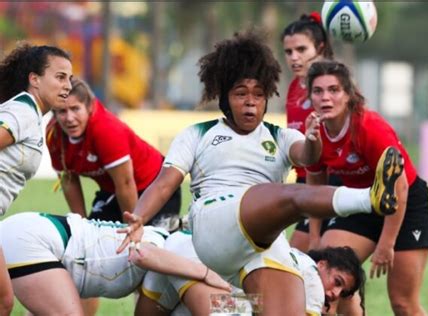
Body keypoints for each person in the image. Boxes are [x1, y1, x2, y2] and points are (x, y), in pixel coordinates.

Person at [118, 30, 404, 315]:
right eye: (241, 94)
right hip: (214, 225)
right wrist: (139, 217)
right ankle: (370, 198)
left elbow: (306, 155)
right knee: (290, 195)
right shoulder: (198, 134)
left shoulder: (281, 137)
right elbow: (165, 184)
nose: (251, 102)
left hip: (260, 244)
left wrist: (314, 141)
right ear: (224, 98)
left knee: (267, 309)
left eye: (258, 94)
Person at [306, 60, 428, 316]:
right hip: (358, 201)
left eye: (334, 90)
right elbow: (315, 186)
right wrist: (314, 237)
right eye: (318, 91)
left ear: (348, 95)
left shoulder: (369, 127)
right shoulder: (315, 130)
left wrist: (386, 244)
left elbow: (398, 189)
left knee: (402, 303)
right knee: (330, 283)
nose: (325, 97)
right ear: (310, 96)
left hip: (405, 204)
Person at [0, 211, 231, 315]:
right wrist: (205, 272)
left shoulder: (169, 265)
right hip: (31, 237)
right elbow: (141, 254)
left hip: (32, 233)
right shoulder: (171, 246)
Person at [136, 227, 366, 316]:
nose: (335, 293)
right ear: (322, 265)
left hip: (179, 247)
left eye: (341, 291)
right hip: (193, 262)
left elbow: (253, 304)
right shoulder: (313, 283)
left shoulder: (293, 262)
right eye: (337, 281)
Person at [46, 77, 181, 225]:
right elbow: (69, 180)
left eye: (75, 108)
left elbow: (126, 184)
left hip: (154, 185)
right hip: (114, 191)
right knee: (94, 239)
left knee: (144, 243)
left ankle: (173, 229)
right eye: (62, 111)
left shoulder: (106, 130)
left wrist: (131, 229)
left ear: (89, 107)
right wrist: (81, 227)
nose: (69, 118)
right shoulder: (54, 134)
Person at [0, 43, 73, 315]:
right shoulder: (24, 111)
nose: (67, 85)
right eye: (60, 76)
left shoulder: (29, 113)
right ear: (34, 79)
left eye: (70, 79)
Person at [281, 12, 341, 252]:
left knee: (305, 259)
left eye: (301, 50)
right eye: (288, 52)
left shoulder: (335, 88)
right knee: (300, 261)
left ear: (320, 47)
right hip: (305, 181)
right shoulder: (295, 86)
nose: (294, 58)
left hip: (331, 181)